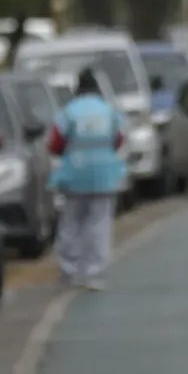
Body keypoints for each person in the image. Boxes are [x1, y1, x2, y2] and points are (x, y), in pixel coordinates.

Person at [47, 66, 125, 290]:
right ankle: (95, 272)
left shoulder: (68, 112)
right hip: (104, 176)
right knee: (99, 224)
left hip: (74, 175)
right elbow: (118, 140)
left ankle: (70, 269)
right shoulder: (109, 111)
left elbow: (55, 144)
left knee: (71, 222)